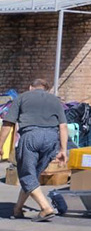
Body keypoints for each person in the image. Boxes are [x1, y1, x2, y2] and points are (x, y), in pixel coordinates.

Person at [0, 78, 68, 221]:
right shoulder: (55, 100)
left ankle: (45, 208)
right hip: (51, 139)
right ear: (47, 89)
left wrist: (0, 145)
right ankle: (18, 209)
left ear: (31, 87)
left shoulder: (22, 97)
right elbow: (63, 126)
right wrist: (63, 149)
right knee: (33, 175)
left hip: (31, 136)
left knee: (27, 175)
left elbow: (8, 123)